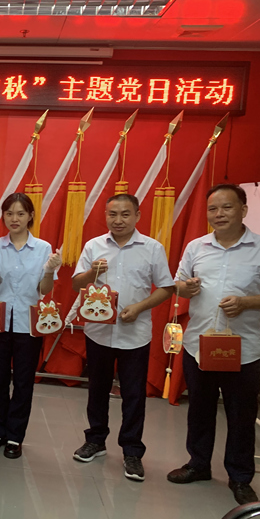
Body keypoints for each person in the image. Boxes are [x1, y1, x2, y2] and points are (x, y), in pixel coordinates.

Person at [168, 184, 260, 504]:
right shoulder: (196, 247)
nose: (219, 214)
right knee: (199, 410)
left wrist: (246, 302)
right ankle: (198, 464)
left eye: (227, 207)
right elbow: (178, 283)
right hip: (199, 346)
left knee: (241, 415)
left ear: (243, 210)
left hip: (243, 350)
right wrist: (186, 287)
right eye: (213, 209)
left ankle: (240, 477)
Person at [71, 194, 174, 481]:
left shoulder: (152, 248)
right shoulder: (94, 246)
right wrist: (92, 272)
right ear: (105, 215)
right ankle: (95, 440)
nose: (118, 220)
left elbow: (166, 288)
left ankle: (132, 451)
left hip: (134, 334)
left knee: (133, 394)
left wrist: (139, 307)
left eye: (125, 214)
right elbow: (76, 284)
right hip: (99, 332)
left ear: (137, 216)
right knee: (97, 389)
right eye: (112, 214)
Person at [0, 193, 61, 459]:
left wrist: (49, 270)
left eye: (20, 213)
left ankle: (15, 436)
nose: (14, 219)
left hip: (28, 324)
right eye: (9, 213)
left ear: (30, 216)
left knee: (24, 382)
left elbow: (44, 290)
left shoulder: (43, 248)